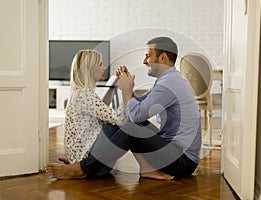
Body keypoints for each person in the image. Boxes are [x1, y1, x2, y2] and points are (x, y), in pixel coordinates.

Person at [45, 37, 201, 180]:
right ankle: (144, 168)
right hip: (174, 152)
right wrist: (129, 88)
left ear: (162, 58)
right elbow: (138, 105)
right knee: (135, 124)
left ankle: (81, 168)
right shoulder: (167, 80)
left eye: (148, 56)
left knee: (132, 126)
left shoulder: (168, 84)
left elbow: (135, 115)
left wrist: (126, 90)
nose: (144, 61)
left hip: (182, 161)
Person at [60, 49, 127, 166]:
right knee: (129, 126)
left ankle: (73, 160)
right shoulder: (85, 95)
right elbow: (120, 119)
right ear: (90, 68)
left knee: (117, 122)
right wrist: (126, 90)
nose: (104, 68)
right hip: (90, 164)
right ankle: (147, 168)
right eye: (100, 64)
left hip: (78, 155)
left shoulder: (79, 92)